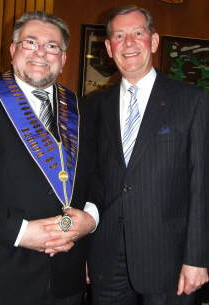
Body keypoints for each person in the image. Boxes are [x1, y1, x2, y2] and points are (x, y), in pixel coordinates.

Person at [0, 11, 99, 305]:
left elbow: (97, 177)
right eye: (30, 42)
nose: (40, 53)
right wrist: (20, 231)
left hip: (66, 276)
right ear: (13, 50)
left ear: (63, 59)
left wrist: (91, 219)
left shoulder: (83, 110)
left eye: (52, 46)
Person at [87, 5, 209, 305]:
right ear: (108, 47)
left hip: (171, 259)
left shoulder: (191, 101)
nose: (128, 43)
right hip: (106, 255)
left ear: (153, 42)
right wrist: (85, 250)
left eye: (137, 33)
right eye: (119, 35)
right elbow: (91, 182)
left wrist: (197, 258)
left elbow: (202, 184)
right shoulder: (93, 106)